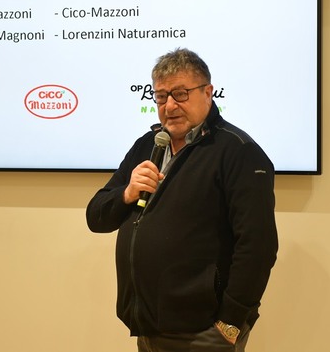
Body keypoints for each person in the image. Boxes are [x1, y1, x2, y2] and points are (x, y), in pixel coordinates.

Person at [86, 48, 278, 351]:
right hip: (147, 324)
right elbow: (96, 217)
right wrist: (127, 193)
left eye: (180, 94)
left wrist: (230, 323)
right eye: (161, 97)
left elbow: (258, 246)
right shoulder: (148, 145)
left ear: (208, 93)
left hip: (203, 332)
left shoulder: (238, 151)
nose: (170, 106)